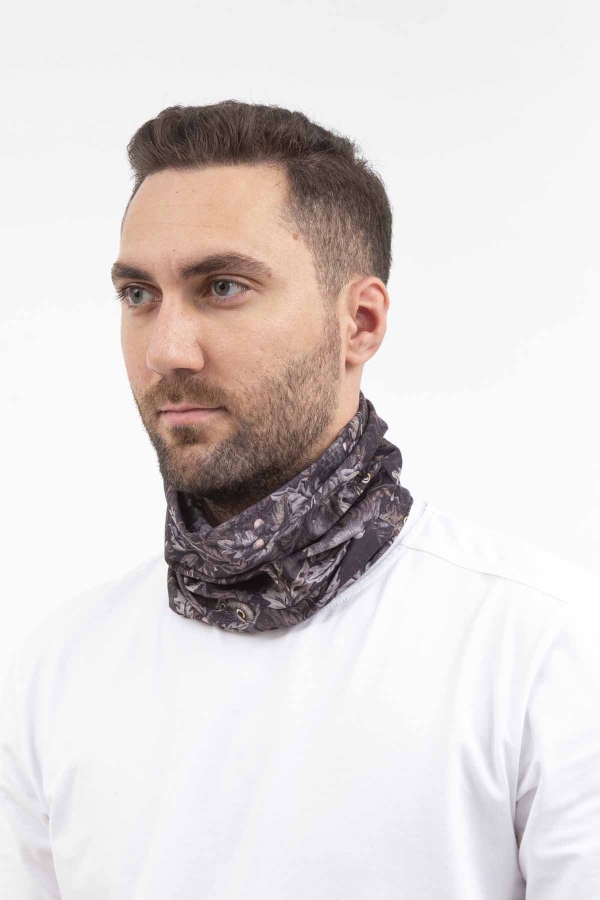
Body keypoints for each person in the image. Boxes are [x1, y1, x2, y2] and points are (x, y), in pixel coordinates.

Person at [1, 100, 599, 899]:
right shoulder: (59, 669)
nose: (167, 351)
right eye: (139, 294)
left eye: (222, 287)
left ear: (360, 322)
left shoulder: (542, 650)